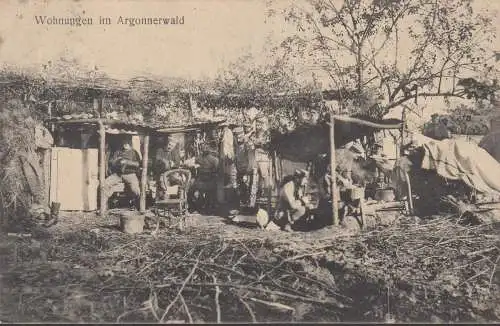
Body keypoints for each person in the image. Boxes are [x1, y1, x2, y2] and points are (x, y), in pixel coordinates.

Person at [102, 139, 141, 209]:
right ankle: (104, 205)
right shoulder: (118, 152)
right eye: (124, 143)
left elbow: (138, 164)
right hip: (118, 174)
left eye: (127, 143)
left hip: (130, 174)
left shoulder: (134, 152)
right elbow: (112, 162)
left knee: (135, 189)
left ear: (130, 143)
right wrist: (116, 161)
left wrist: (127, 162)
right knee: (105, 184)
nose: (125, 144)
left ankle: (137, 204)